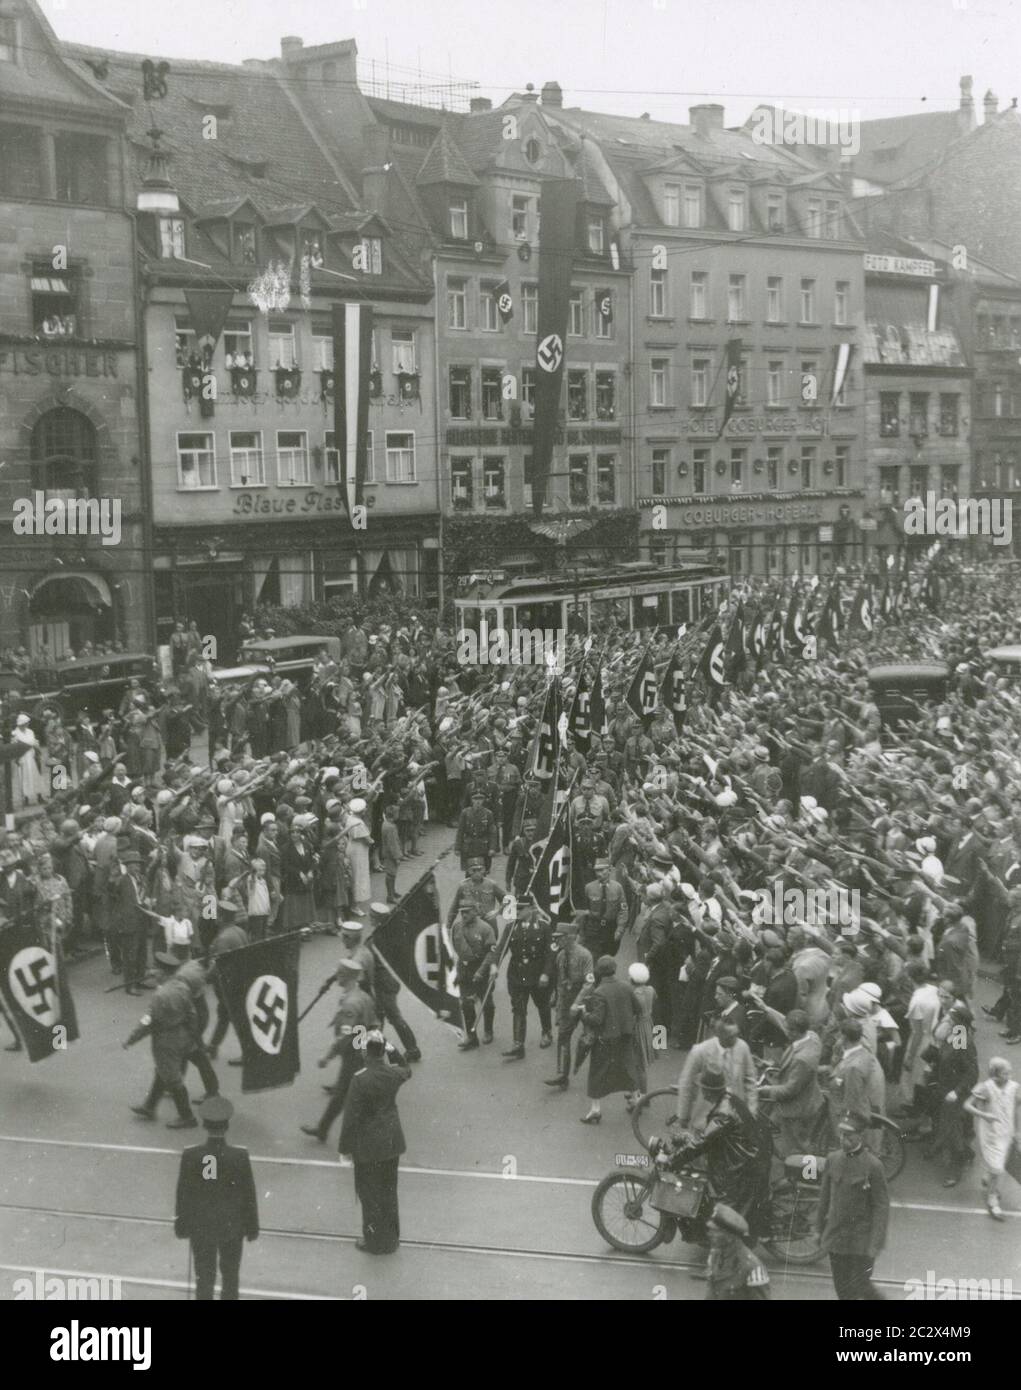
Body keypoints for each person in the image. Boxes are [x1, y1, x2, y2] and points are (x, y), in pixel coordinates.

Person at [174, 1096, 259, 1300]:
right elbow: (249, 1194)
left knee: (204, 1277)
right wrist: (252, 1226)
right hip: (232, 1227)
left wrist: (181, 1224)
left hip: (201, 1226)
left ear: (204, 1125)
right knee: (230, 1277)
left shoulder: (191, 1155)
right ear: (227, 1125)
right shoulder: (239, 1156)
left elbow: (183, 1193)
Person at [338, 1029, 411, 1255]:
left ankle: (374, 1241)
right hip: (392, 1141)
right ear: (382, 1052)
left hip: (368, 1145)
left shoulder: (360, 1079)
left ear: (365, 1053)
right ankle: (392, 1237)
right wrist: (392, 1048)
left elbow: (350, 1118)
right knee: (390, 1191)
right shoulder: (392, 1074)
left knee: (369, 1194)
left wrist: (344, 1149)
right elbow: (406, 1067)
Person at [301, 959, 377, 1143]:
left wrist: (327, 1056)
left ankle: (330, 1131)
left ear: (344, 976)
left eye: (339, 973)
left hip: (354, 1052)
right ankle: (323, 1129)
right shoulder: (363, 996)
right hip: (365, 1048)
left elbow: (344, 1035)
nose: (336, 977)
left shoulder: (350, 1003)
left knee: (346, 1095)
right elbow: (374, 1023)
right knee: (345, 1094)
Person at [817, 1112, 890, 1301]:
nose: (843, 1139)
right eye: (841, 1134)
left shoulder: (873, 1166)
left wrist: (875, 1244)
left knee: (862, 1287)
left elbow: (881, 1207)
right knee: (842, 1290)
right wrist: (819, 1231)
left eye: (848, 1135)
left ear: (861, 1136)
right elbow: (824, 1199)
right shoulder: (833, 1159)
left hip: (861, 1242)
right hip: (837, 1239)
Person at [577, 955, 640, 1123]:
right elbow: (638, 1008)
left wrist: (584, 1013)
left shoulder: (599, 992)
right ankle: (637, 1101)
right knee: (628, 1069)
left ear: (599, 971)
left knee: (597, 1074)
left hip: (605, 1040)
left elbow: (597, 1020)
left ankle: (595, 1110)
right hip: (625, 1036)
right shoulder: (626, 987)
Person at [758, 1008, 824, 1156]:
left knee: (801, 1148)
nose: (785, 1031)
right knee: (772, 1130)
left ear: (794, 1031)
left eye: (788, 1029)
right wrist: (769, 1065)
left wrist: (765, 1090)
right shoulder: (812, 1038)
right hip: (806, 1099)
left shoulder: (802, 1059)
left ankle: (809, 1176)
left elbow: (790, 1090)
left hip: (797, 1109)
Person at [963, 1057, 1020, 1221]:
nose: (1009, 1076)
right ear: (995, 1074)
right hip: (990, 1134)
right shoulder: (985, 1088)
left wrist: (1017, 1131)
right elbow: (967, 1105)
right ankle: (992, 1199)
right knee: (997, 1167)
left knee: (998, 1165)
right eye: (1004, 1073)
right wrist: (984, 1115)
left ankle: (988, 1178)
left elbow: (1016, 1108)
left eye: (1010, 1072)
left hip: (1006, 1133)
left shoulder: (1014, 1088)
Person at [502, 894, 554, 1061]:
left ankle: (547, 1032)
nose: (517, 911)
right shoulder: (511, 927)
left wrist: (546, 973)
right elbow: (500, 949)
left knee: (542, 1004)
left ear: (531, 909)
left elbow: (550, 954)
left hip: (538, 974)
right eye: (516, 908)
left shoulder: (543, 927)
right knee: (518, 1008)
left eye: (521, 909)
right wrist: (494, 966)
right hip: (517, 974)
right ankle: (518, 1045)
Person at [544, 917, 594, 1089]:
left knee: (590, 1039)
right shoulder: (560, 956)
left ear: (570, 937)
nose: (556, 940)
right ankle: (562, 1075)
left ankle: (595, 1076)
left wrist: (577, 1003)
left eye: (560, 937)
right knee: (563, 1036)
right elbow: (560, 983)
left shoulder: (584, 955)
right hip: (567, 999)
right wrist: (559, 1007)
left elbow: (589, 983)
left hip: (584, 1000)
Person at [452, 902, 498, 1050]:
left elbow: (492, 952)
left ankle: (488, 1031)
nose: (464, 915)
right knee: (466, 1004)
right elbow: (457, 947)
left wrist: (481, 971)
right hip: (464, 970)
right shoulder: (457, 927)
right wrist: (459, 970)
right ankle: (472, 1038)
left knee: (486, 1002)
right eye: (461, 912)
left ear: (475, 911)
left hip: (481, 968)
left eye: (467, 912)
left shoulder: (485, 928)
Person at [704, 1203, 770, 1301]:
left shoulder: (753, 1268)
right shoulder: (714, 1255)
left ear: (730, 1236)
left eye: (715, 1231)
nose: (709, 1234)